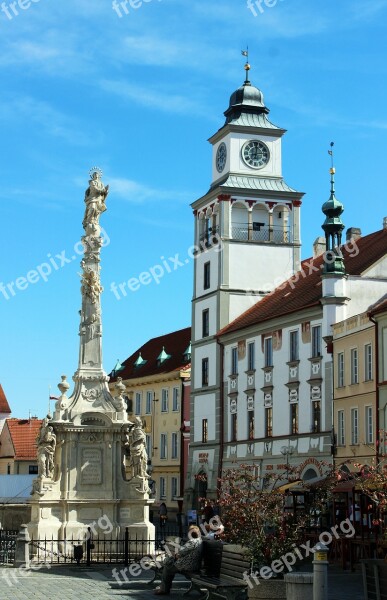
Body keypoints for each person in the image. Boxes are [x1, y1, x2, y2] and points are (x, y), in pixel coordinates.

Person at [154, 525, 203, 595]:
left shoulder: (192, 542)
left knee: (168, 568)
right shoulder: (200, 540)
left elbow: (180, 552)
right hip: (195, 565)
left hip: (188, 565)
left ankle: (164, 589)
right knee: (170, 565)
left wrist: (176, 555)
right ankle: (165, 587)